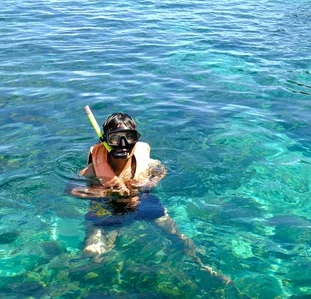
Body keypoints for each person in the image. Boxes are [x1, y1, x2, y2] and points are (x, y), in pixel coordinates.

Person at [70, 112, 229, 282]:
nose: (123, 144)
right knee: (93, 251)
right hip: (106, 207)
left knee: (177, 236)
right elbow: (72, 190)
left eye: (129, 137)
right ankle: (94, 279)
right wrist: (105, 192)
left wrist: (150, 184)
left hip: (142, 202)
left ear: (136, 139)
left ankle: (202, 264)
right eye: (116, 138)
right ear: (105, 140)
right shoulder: (93, 169)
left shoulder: (145, 161)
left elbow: (161, 170)